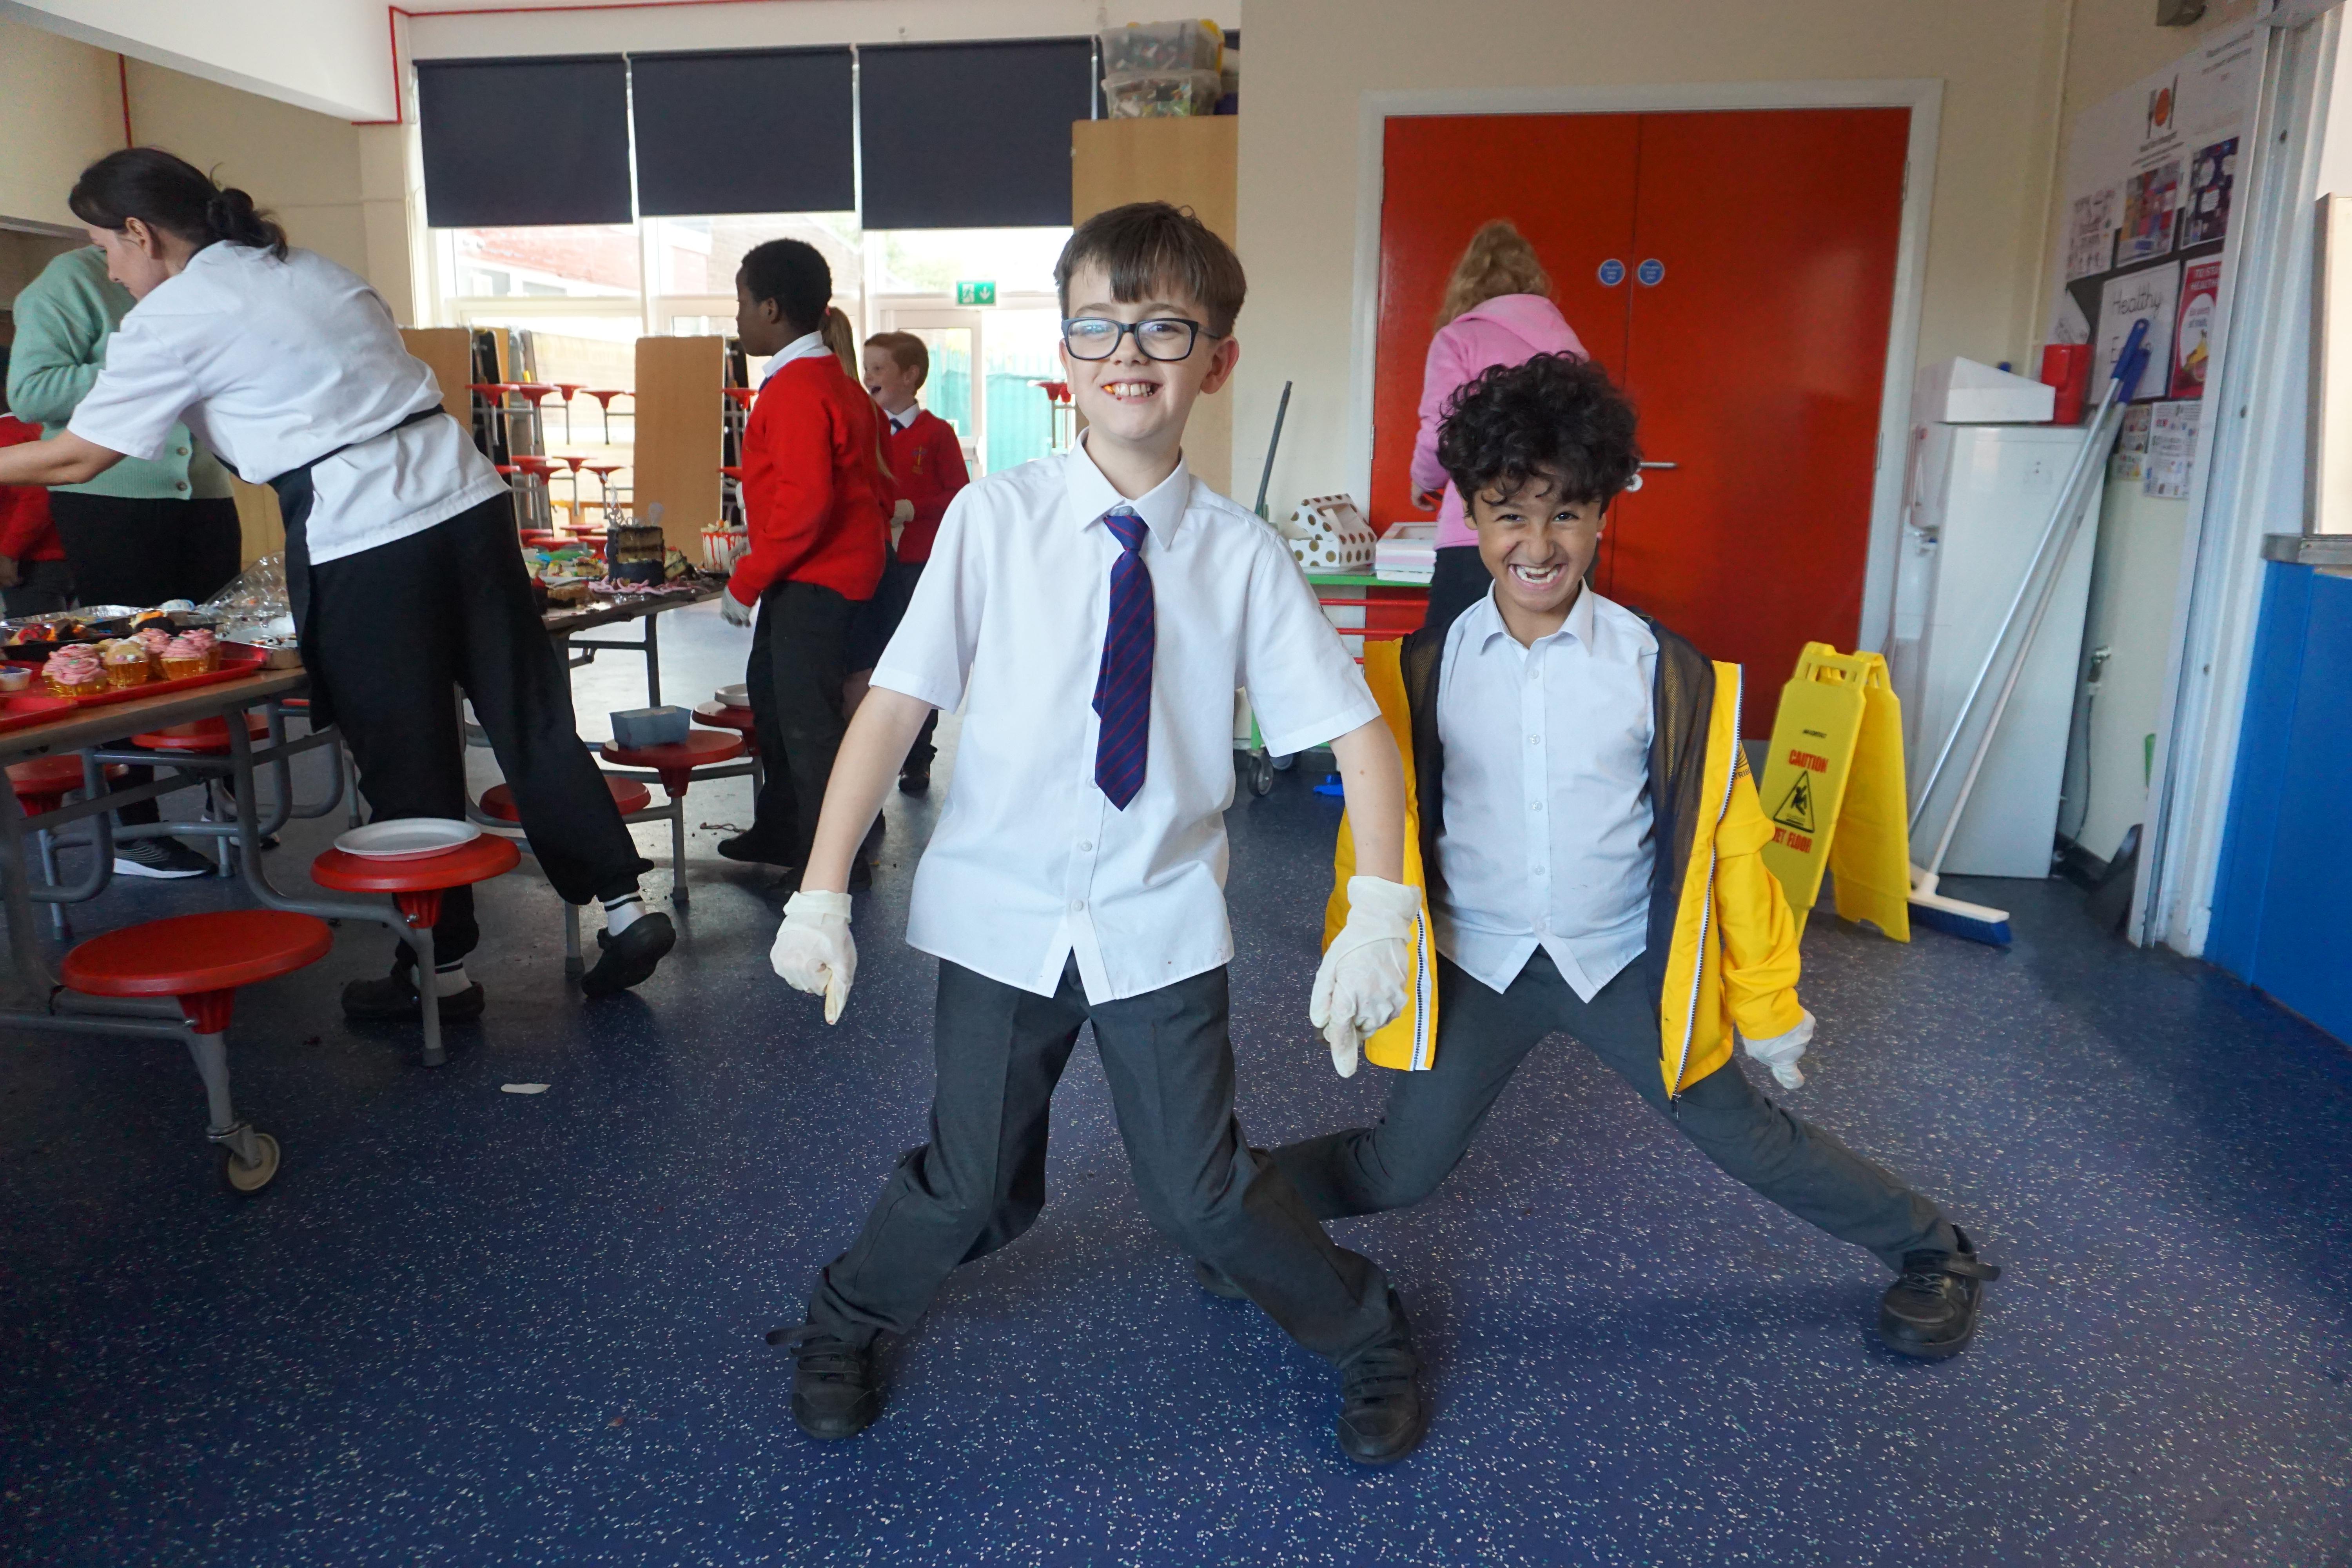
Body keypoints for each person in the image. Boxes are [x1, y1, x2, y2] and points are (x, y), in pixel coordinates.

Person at [763, 201, 1432, 1466]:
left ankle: (1370, 1333)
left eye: (1166, 327)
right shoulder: (992, 522)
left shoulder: (1241, 557)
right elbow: (893, 707)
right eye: (1099, 326)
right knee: (974, 1189)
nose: (1129, 352)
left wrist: (1383, 912)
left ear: (1217, 362)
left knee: (1203, 1195)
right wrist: (821, 889)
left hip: (1155, 915)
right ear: (1062, 353)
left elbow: (1360, 738)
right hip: (1000, 912)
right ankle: (844, 1319)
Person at [1201, 354, 1999, 1362]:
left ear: (1602, 515)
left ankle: (1934, 1248)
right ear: (1471, 517)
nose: (1538, 544)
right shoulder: (1417, 672)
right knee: (1400, 1166)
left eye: (1566, 514)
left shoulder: (1668, 675)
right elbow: (1376, 831)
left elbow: (1734, 848)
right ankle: (1235, 1217)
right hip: (1479, 961)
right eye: (1509, 514)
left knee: (1744, 1132)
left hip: (1623, 962)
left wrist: (1766, 1000)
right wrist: (1359, 947)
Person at [0, 148, 674, 1009]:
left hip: (366, 529)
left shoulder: (175, 314)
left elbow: (77, 456)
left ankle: (438, 971)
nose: (109, 270)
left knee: (404, 747)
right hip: (468, 501)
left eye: (106, 249)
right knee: (528, 711)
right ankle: (624, 908)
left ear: (141, 232)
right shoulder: (309, 268)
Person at [9, 243, 246, 878]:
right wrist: (145, 363)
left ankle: (227, 799)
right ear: (134, 226)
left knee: (213, 650)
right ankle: (133, 829)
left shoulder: (198, 274)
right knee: (124, 661)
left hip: (205, 493)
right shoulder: (75, 279)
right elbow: (31, 394)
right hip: (110, 497)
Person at [714, 241, 890, 880]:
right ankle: (783, 832)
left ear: (770, 308)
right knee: (774, 702)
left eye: (741, 304)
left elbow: (806, 506)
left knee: (809, 726)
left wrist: (747, 580)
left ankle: (831, 864)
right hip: (814, 577)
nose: (737, 318)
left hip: (815, 582)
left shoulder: (797, 389)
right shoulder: (830, 383)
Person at [1408, 220, 1586, 630]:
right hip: (1562, 533)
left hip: (1480, 531)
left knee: (1454, 652)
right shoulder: (1567, 342)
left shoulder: (1459, 338)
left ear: (1467, 284)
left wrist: (1423, 480)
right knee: (1554, 652)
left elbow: (1442, 431)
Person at [850, 329, 969, 794]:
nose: (868, 377)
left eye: (878, 368)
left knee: (920, 659)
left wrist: (914, 509)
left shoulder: (936, 434)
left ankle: (919, 756)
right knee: (874, 659)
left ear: (910, 375)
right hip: (873, 562)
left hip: (920, 565)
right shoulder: (864, 430)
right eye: (866, 368)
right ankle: (876, 753)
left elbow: (959, 495)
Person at [0, 348, 74, 617]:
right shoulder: (50, 428)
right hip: (72, 552)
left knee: (35, 638)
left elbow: (37, 497)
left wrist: (8, 553)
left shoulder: (6, 434)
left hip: (32, 562)